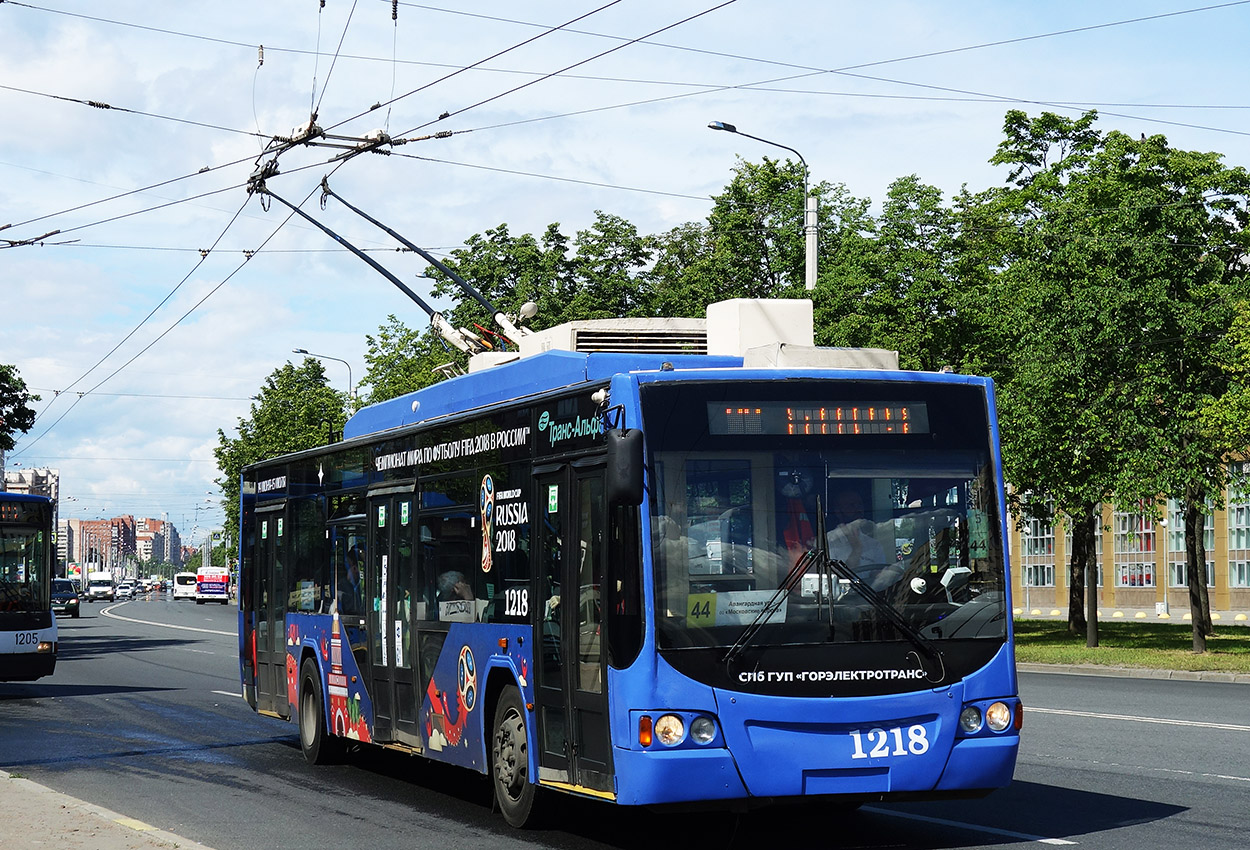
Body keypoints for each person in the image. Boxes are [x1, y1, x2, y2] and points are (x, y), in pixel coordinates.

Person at [826, 489, 890, 570]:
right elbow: (832, 578)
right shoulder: (829, 541)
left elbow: (880, 576)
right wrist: (856, 549)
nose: (858, 509)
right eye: (851, 505)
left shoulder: (874, 544)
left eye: (860, 505)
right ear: (838, 511)